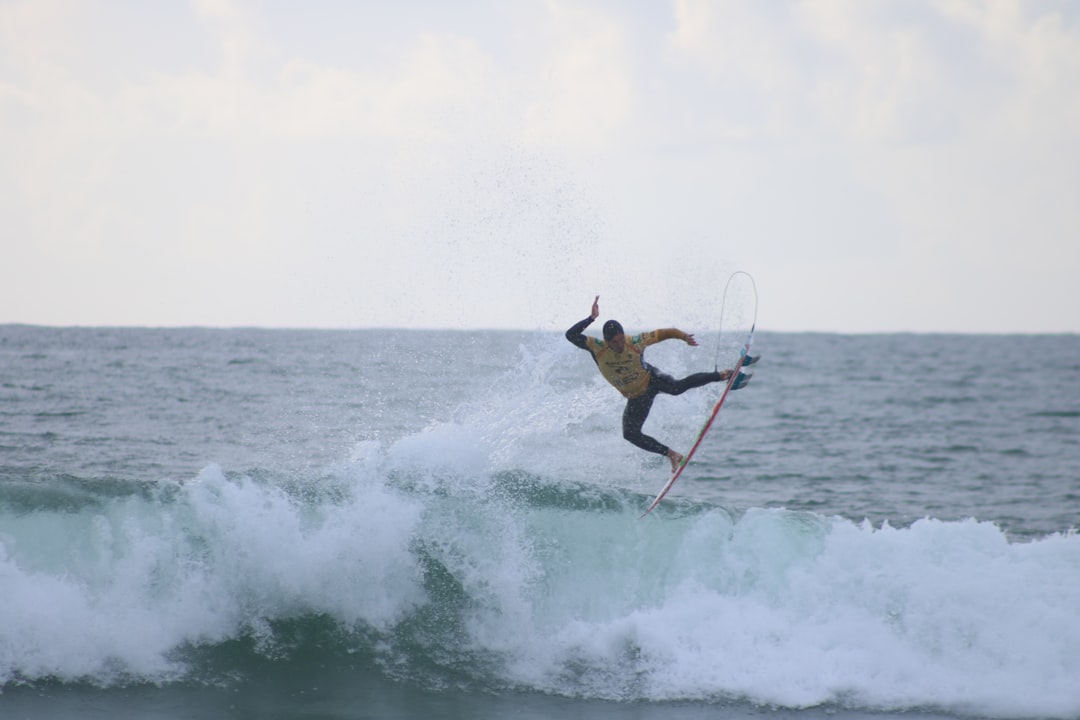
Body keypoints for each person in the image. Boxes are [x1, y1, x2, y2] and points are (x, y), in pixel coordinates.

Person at [565, 295, 751, 473]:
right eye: (615, 342)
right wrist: (592, 318)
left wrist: (683, 337)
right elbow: (570, 334)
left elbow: (664, 333)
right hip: (636, 397)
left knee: (676, 388)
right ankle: (672, 454)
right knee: (630, 434)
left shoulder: (634, 342)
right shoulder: (596, 347)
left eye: (621, 338)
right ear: (607, 341)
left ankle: (722, 375)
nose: (620, 344)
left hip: (652, 379)